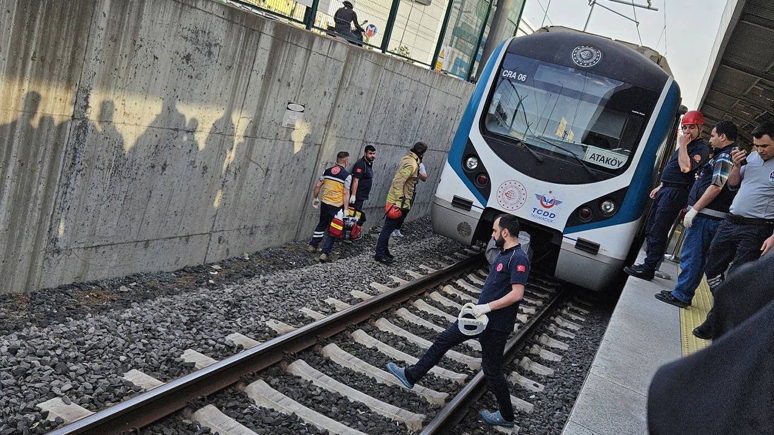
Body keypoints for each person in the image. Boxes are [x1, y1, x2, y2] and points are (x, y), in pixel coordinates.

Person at [386, 214, 528, 429]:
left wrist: (487, 307)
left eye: (495, 231)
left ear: (505, 233)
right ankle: (412, 375)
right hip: (479, 318)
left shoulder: (518, 258)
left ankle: (507, 415)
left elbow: (517, 294)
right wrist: (480, 308)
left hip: (494, 325)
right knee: (444, 339)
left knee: (492, 370)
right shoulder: (505, 254)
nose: (493, 234)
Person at [693, 122, 774, 339]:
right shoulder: (753, 158)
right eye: (756, 145)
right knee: (712, 266)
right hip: (730, 223)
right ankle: (724, 305)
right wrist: (736, 166)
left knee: (737, 275)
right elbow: (733, 185)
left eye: (764, 145)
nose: (760, 150)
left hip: (756, 228)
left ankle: (715, 324)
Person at [655, 121, 738, 308]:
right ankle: (682, 292)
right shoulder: (722, 155)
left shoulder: (724, 157)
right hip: (710, 215)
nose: (711, 139)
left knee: (693, 256)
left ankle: (681, 295)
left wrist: (695, 209)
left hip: (707, 217)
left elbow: (717, 186)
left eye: (714, 135)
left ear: (723, 137)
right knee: (697, 258)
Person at [624, 110, 710, 280]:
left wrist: (683, 145)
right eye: (685, 127)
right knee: (651, 227)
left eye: (691, 128)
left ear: (701, 128)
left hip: (676, 192)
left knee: (659, 228)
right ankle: (649, 262)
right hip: (667, 189)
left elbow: (686, 168)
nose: (687, 132)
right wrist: (662, 185)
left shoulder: (700, 148)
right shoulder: (686, 144)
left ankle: (649, 268)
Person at [374, 142, 427, 264]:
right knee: (387, 228)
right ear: (423, 153)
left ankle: (384, 250)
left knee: (390, 227)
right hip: (398, 201)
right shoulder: (412, 163)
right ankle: (379, 254)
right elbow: (398, 181)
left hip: (402, 200)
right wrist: (398, 200)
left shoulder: (411, 160)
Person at [308, 151, 351, 262]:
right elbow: (346, 193)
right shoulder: (346, 175)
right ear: (346, 161)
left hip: (325, 203)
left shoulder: (326, 172)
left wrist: (315, 198)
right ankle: (324, 253)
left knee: (321, 224)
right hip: (336, 206)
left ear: (336, 160)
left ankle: (313, 245)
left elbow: (317, 185)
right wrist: (346, 209)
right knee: (333, 230)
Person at [392, 161, 427, 238]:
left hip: (411, 191)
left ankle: (397, 228)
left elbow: (424, 177)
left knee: (405, 210)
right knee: (398, 209)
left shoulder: (420, 165)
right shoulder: (408, 162)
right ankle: (392, 228)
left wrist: (418, 171)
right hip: (403, 190)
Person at [349, 145, 376, 225]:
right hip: (357, 196)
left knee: (356, 215)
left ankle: (353, 231)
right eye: (370, 153)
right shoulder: (361, 164)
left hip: (362, 196)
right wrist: (353, 195)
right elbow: (355, 180)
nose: (372, 156)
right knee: (352, 215)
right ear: (365, 153)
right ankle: (347, 232)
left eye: (374, 154)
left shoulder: (368, 163)